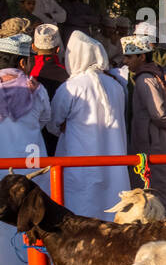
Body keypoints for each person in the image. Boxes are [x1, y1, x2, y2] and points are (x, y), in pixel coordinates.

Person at [0, 33, 51, 265]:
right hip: (28, 166)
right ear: (23, 62)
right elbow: (47, 119)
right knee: (29, 215)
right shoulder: (36, 88)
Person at [47, 32, 129, 220]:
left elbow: (52, 124)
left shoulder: (72, 87)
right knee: (113, 216)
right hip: (113, 164)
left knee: (81, 218)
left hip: (79, 165)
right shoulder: (116, 85)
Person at [122, 34, 166, 216]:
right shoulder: (158, 73)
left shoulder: (145, 79)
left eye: (129, 57)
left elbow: (160, 115)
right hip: (162, 138)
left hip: (155, 141)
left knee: (161, 188)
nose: (126, 61)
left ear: (142, 56)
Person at [27, 24, 68, 157]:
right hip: (58, 135)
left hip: (32, 135)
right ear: (57, 49)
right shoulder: (66, 73)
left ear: (33, 47)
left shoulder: (27, 71)